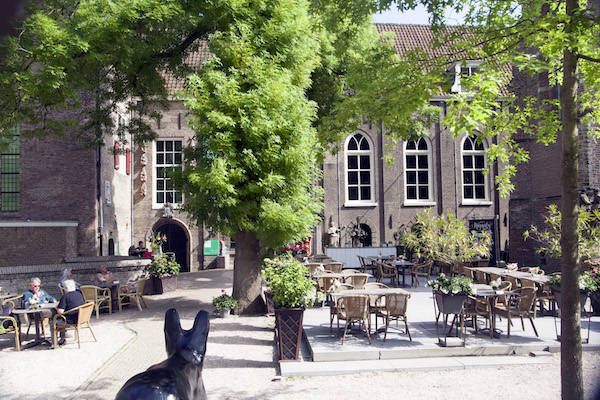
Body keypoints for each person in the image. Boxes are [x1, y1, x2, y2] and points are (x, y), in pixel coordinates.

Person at [54, 279, 85, 346]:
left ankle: (54, 343)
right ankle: (62, 338)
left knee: (53, 321)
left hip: (71, 320)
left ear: (65, 288)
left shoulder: (65, 296)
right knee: (61, 318)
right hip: (81, 318)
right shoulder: (79, 294)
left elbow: (60, 312)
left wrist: (56, 307)